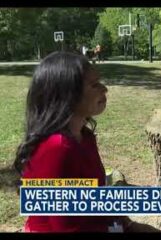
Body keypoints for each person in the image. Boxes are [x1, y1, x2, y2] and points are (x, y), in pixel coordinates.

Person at [13, 51, 133, 232]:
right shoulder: (56, 149)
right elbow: (66, 227)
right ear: (67, 95)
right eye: (94, 85)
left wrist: (126, 224)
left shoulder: (85, 137)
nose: (104, 89)